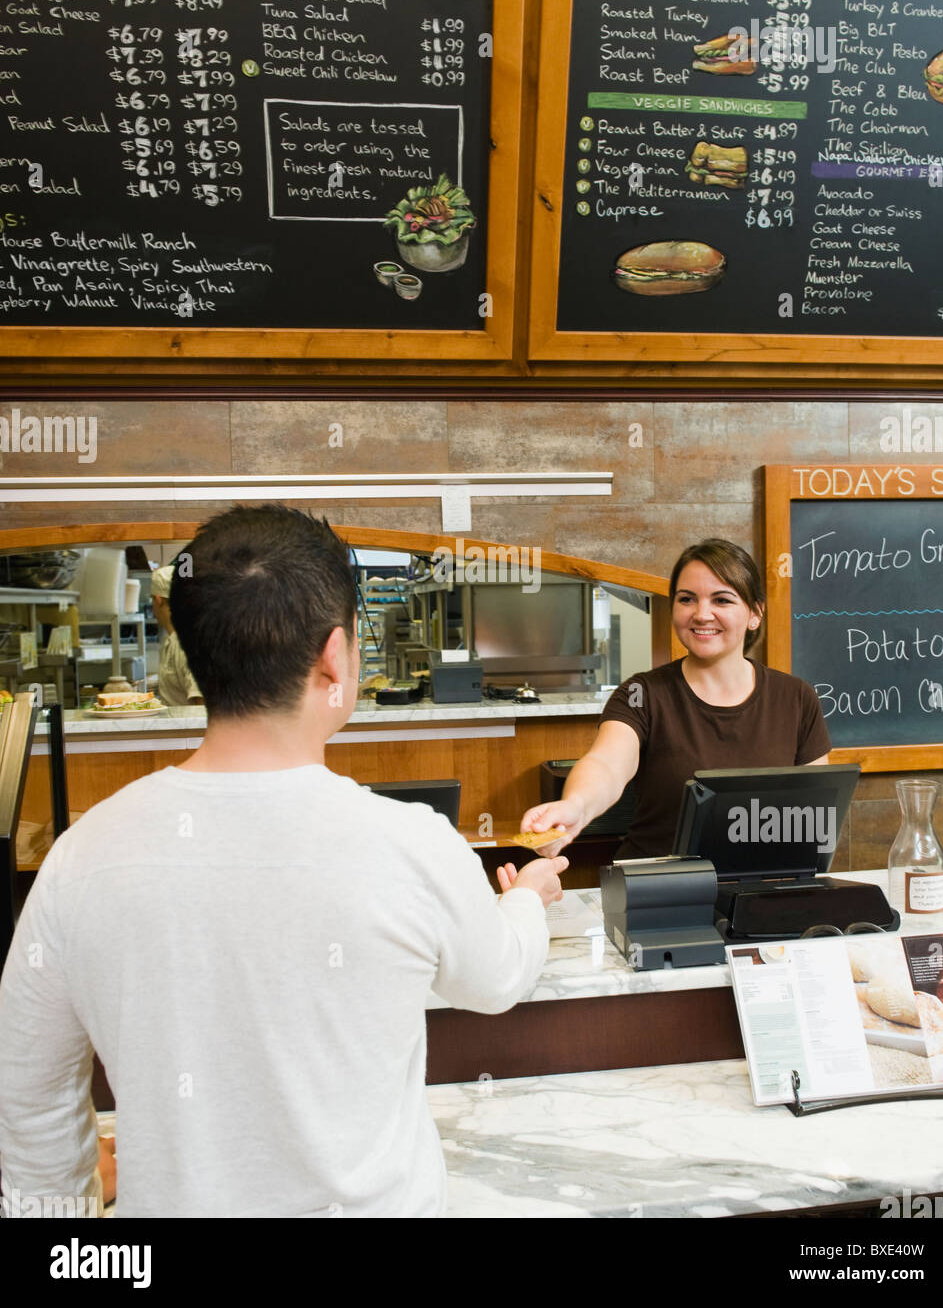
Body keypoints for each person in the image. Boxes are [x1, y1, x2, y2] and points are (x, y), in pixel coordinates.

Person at [0, 506, 567, 1218]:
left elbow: (28, 1099)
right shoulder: (412, 844)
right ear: (335, 657)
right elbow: (496, 977)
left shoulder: (81, 856)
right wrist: (527, 898)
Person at [520, 538, 830, 861]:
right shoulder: (641, 695)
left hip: (763, 891)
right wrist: (576, 806)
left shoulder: (796, 698)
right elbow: (606, 765)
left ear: (755, 614)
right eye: (687, 599)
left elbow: (815, 813)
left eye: (722, 600)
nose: (701, 614)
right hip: (662, 890)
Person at [150, 564, 203, 706]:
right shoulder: (174, 639)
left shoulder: (188, 642)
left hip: (192, 728)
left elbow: (202, 703)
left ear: (158, 599)